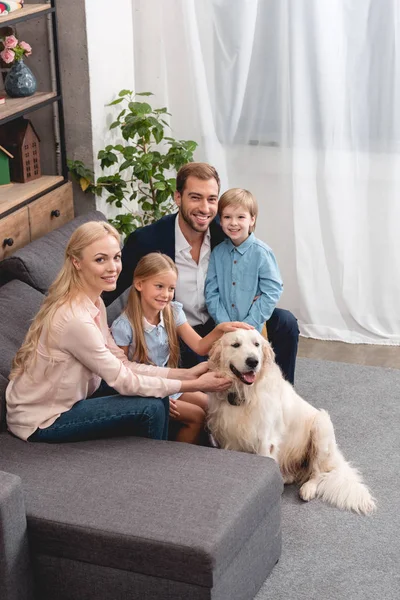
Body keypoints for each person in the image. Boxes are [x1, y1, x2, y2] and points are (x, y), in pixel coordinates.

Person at [6, 221, 231, 444]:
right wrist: (197, 384)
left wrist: (188, 374)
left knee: (157, 395)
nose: (113, 267)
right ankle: (153, 472)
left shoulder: (94, 304)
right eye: (100, 259)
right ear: (76, 262)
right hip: (43, 420)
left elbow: (123, 364)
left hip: (72, 398)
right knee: (152, 405)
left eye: (116, 257)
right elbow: (124, 380)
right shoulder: (76, 320)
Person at [103, 162, 299, 379]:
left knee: (285, 322)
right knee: (208, 396)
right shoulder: (147, 240)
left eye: (212, 199)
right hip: (181, 333)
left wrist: (246, 322)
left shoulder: (225, 231)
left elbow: (254, 264)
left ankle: (281, 396)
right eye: (195, 197)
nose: (205, 209)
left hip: (224, 320)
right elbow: (108, 288)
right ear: (178, 197)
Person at [111, 252, 252, 444]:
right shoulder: (124, 326)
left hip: (171, 384)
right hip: (143, 390)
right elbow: (122, 373)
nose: (166, 294)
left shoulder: (173, 312)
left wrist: (220, 329)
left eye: (171, 288)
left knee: (211, 407)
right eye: (159, 286)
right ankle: (177, 461)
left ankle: (211, 452)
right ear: (139, 284)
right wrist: (156, 398)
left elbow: (200, 347)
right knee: (196, 416)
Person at [205, 188, 297, 384]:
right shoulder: (217, 253)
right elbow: (211, 292)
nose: (234, 223)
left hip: (255, 327)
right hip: (225, 329)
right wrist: (225, 326)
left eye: (240, 217)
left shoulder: (262, 252)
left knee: (261, 373)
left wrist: (249, 325)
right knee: (223, 372)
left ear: (252, 220)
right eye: (227, 217)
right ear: (220, 221)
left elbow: (273, 289)